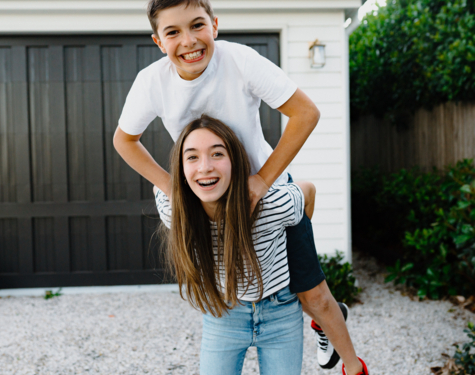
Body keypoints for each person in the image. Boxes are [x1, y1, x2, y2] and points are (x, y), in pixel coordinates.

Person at [113, 1, 367, 373]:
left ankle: (328, 331)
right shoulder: (152, 82)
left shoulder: (239, 61)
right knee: (228, 282)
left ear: (215, 25)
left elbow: (306, 112)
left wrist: (263, 181)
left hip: (263, 190)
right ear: (157, 41)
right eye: (173, 32)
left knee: (312, 295)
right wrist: (173, 188)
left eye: (197, 25)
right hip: (211, 192)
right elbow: (124, 140)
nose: (188, 41)